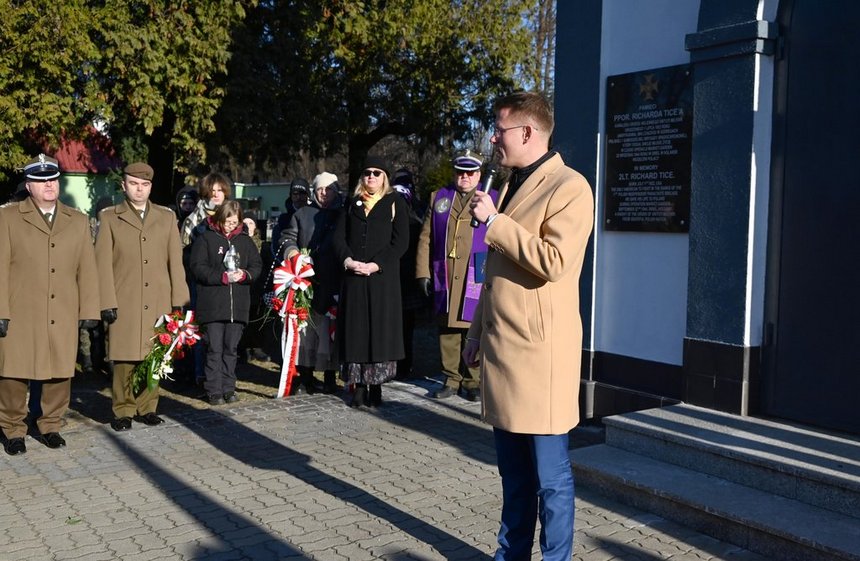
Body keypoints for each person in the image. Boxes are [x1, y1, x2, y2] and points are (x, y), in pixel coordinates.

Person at [463, 92, 594, 560]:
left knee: (551, 480)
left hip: (541, 356)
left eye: (499, 129)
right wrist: (476, 332)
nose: (493, 138)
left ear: (527, 132)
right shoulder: (510, 183)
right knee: (514, 477)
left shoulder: (571, 187)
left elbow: (554, 261)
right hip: (503, 351)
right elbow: (495, 270)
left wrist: (496, 222)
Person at [0, 154, 100, 455]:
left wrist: (90, 309)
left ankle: (50, 425)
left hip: (63, 310)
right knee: (14, 373)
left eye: (53, 179)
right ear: (29, 185)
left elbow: (88, 268)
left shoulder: (77, 220)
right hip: (21, 309)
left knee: (59, 371)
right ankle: (13, 429)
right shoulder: (7, 217)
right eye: (41, 181)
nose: (49, 186)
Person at [95, 162, 190, 432]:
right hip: (124, 298)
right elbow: (101, 264)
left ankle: (147, 407)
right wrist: (106, 301)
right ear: (124, 185)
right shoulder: (110, 217)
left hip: (159, 298)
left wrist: (179, 303)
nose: (140, 189)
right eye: (134, 184)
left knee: (155, 354)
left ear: (151, 187)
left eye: (145, 185)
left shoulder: (166, 217)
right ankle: (123, 409)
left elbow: (175, 262)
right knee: (124, 358)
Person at [416, 150, 496, 401]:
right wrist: (422, 272)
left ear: (479, 174)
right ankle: (451, 378)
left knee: (475, 325)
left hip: (477, 269)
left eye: (470, 172)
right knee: (447, 327)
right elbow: (425, 238)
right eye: (460, 171)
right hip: (446, 271)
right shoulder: (439, 197)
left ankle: (473, 380)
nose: (464, 177)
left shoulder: (493, 197)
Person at [333, 157, 409, 407]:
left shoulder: (394, 202)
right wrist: (348, 261)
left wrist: (377, 264)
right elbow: (338, 238)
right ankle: (358, 386)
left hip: (381, 279)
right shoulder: (351, 203)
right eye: (367, 173)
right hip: (354, 277)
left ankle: (375, 386)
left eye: (377, 173)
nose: (372, 177)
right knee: (356, 332)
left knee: (378, 331)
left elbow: (400, 242)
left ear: (384, 177)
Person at [190, 201, 262, 405]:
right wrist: (221, 277)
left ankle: (229, 388)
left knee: (231, 349)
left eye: (234, 222)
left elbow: (256, 266)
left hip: (237, 305)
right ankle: (213, 389)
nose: (231, 226)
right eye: (228, 222)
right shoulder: (206, 239)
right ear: (220, 219)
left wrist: (244, 275)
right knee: (214, 349)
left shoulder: (245, 241)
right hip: (213, 305)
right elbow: (197, 267)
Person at [280, 172, 344, 395]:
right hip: (307, 282)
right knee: (306, 333)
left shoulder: (342, 214)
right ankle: (305, 377)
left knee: (329, 332)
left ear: (337, 191)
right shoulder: (301, 214)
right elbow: (287, 237)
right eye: (320, 189)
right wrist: (294, 253)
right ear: (314, 192)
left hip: (334, 281)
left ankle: (329, 377)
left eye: (330, 189)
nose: (325, 193)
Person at [392, 169, 426, 380]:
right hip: (392, 275)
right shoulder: (388, 206)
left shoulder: (418, 210)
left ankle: (405, 366)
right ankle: (396, 365)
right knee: (395, 326)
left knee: (406, 327)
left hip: (408, 276)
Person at [271, 178, 310, 257]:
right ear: (291, 196)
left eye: (302, 193)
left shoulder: (315, 216)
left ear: (308, 195)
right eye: (295, 193)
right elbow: (277, 247)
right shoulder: (283, 220)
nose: (299, 197)